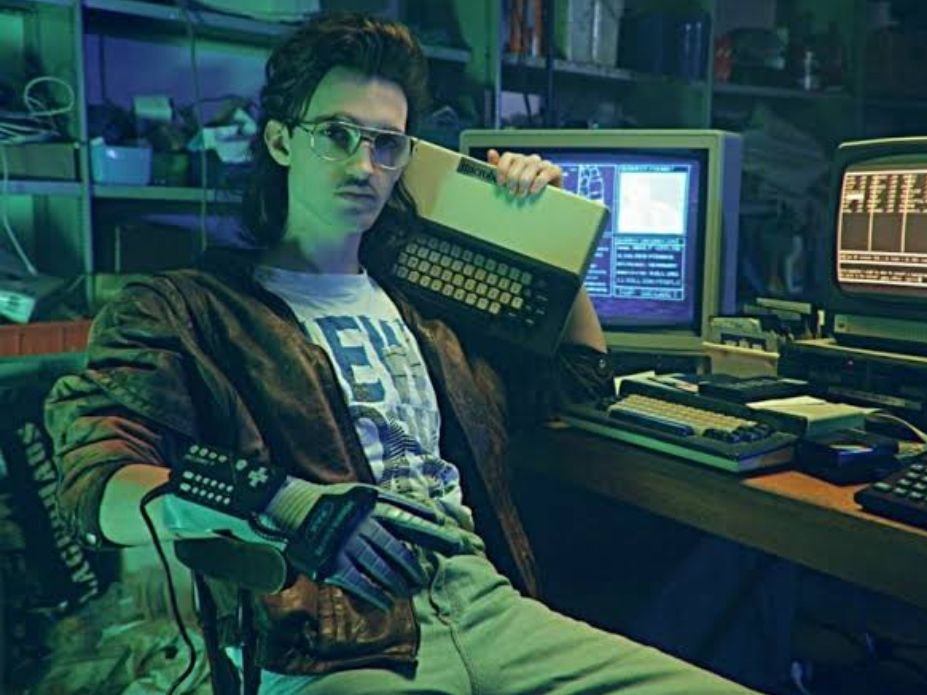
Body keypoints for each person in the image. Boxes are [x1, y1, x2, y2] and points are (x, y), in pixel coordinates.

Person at [44, 12, 755, 694]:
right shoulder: (188, 310)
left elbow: (578, 385)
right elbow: (97, 485)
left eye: (387, 143)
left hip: (485, 604)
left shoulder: (428, 314)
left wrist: (550, 232)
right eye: (337, 134)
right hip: (327, 630)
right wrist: (283, 504)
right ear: (281, 142)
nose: (364, 164)